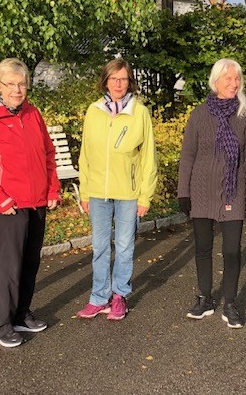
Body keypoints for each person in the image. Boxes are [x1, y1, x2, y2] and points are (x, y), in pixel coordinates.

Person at [0, 58, 60, 348]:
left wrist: (53, 189)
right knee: (9, 267)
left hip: (37, 201)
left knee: (30, 262)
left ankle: (21, 314)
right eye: (10, 84)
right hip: (8, 205)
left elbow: (48, 153)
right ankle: (0, 326)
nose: (17, 90)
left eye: (22, 84)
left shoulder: (32, 113)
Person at [177, 58, 246, 329]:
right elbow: (188, 155)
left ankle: (230, 303)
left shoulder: (245, 115)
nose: (234, 84)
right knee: (203, 248)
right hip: (201, 189)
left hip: (233, 189)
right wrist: (183, 192)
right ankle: (205, 298)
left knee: (232, 250)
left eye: (237, 79)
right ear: (216, 81)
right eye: (228, 79)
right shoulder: (199, 115)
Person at [76, 59, 157, 321]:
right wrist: (85, 192)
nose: (118, 84)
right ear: (106, 81)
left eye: (123, 79)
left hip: (128, 194)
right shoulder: (94, 111)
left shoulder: (139, 112)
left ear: (129, 82)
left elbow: (148, 157)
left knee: (124, 247)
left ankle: (119, 296)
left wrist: (145, 196)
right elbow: (85, 154)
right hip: (97, 192)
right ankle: (99, 298)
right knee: (100, 247)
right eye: (113, 79)